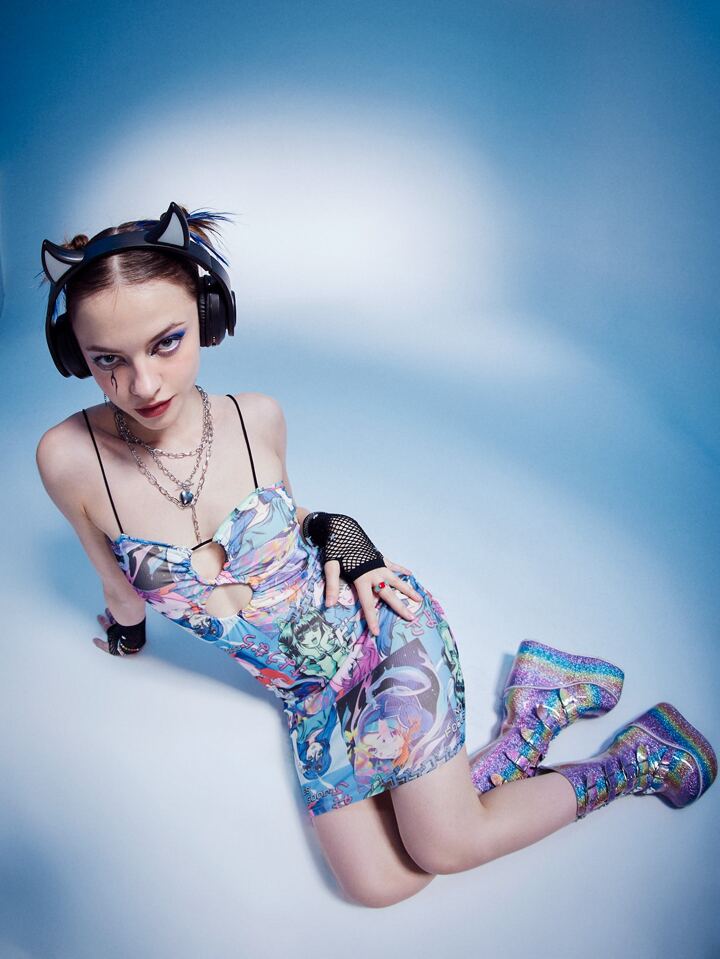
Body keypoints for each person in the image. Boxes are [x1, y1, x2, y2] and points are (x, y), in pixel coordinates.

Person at [36, 201, 717, 908]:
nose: (143, 384)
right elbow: (117, 583)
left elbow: (298, 521)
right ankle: (532, 719)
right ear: (75, 356)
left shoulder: (254, 417)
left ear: (208, 317)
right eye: (107, 361)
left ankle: (637, 759)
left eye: (167, 342)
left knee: (446, 846)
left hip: (378, 637)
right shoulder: (67, 459)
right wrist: (126, 638)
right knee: (383, 883)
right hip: (306, 694)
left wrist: (352, 542)